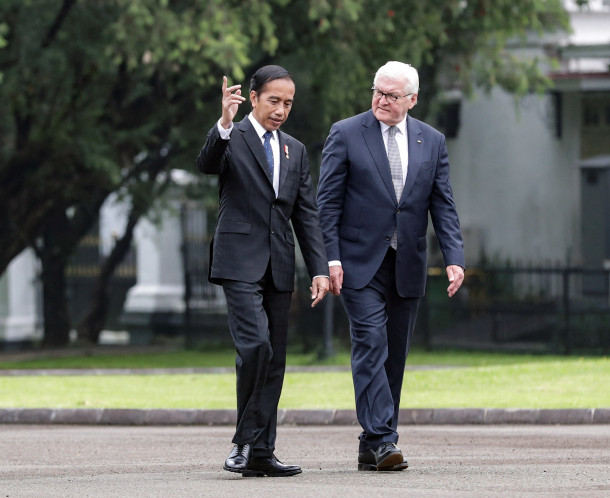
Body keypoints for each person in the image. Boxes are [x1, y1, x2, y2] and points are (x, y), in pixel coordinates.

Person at [317, 61, 465, 471]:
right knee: (370, 344)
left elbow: (443, 204)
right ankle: (384, 439)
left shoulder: (431, 140)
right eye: (377, 92)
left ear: (412, 100)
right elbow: (326, 204)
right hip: (357, 263)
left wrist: (454, 258)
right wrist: (330, 257)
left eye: (391, 95)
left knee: (394, 355)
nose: (381, 100)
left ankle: (370, 443)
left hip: (408, 263)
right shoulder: (345, 133)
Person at [196, 65, 329, 477]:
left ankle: (261, 453)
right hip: (237, 261)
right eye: (273, 100)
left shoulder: (295, 149)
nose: (281, 110)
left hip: (279, 263)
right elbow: (206, 163)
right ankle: (243, 440)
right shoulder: (231, 137)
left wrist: (320, 269)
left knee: (275, 360)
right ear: (253, 98)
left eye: (288, 103)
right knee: (257, 348)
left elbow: (305, 214)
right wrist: (222, 121)